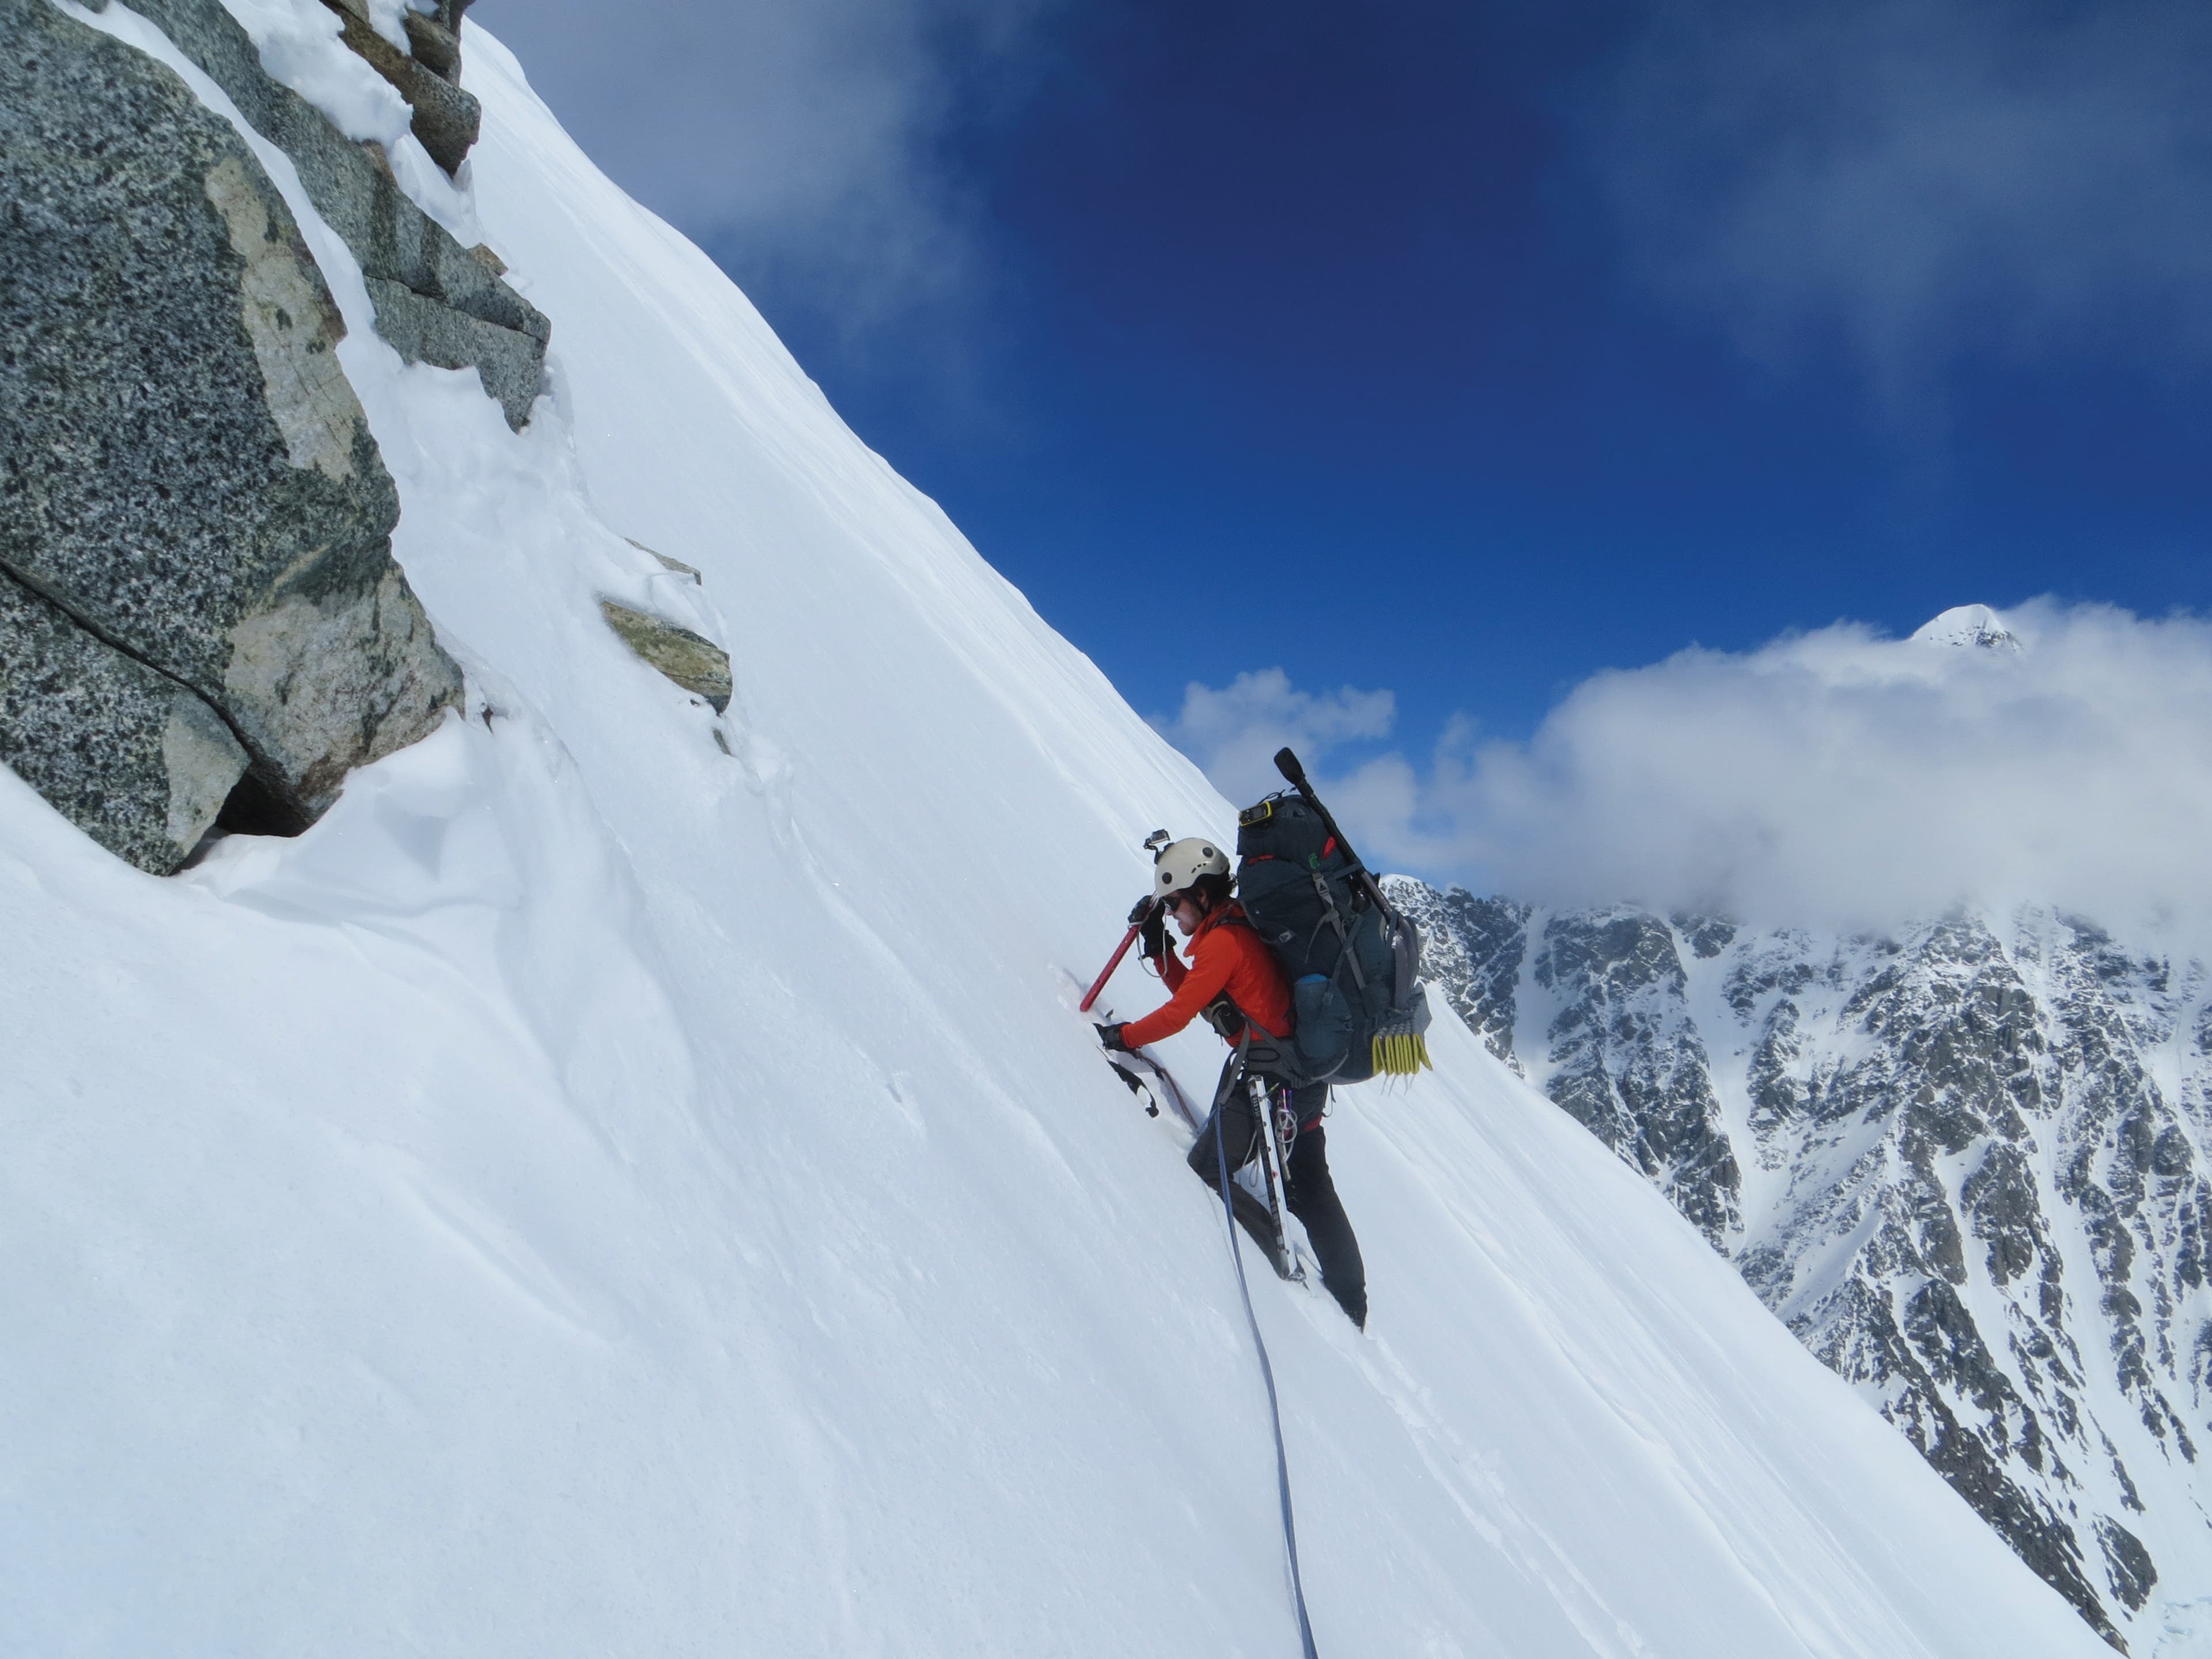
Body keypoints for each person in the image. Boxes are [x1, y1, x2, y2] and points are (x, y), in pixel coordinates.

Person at [1099, 837, 1368, 1329]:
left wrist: (1121, 1036)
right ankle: (1353, 1302)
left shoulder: (1223, 941)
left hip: (1270, 1084)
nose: (1175, 916)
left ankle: (1276, 1272)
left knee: (1210, 1168)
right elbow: (1199, 994)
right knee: (1311, 1186)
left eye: (1176, 903)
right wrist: (1161, 952)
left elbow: (1180, 1013)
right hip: (1303, 1079)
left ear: (1201, 894)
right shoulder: (1235, 926)